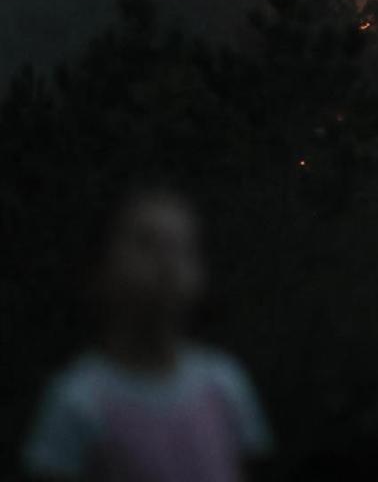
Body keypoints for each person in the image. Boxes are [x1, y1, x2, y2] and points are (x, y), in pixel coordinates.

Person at [22, 187, 272, 481]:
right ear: (102, 267)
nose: (168, 262)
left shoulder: (225, 383)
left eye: (182, 248)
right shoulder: (77, 400)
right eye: (146, 244)